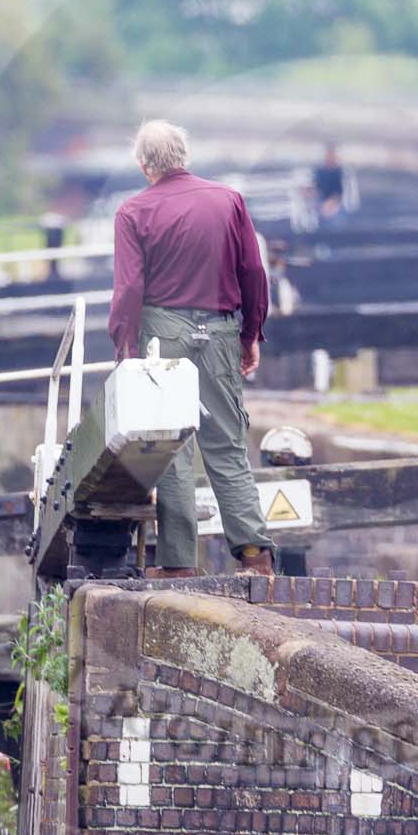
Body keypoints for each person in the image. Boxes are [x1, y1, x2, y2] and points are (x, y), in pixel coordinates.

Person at [110, 120, 275, 578]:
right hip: (221, 331)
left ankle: (179, 564)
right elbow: (253, 272)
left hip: (162, 335)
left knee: (173, 448)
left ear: (145, 166)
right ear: (184, 156)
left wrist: (124, 347)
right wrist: (250, 334)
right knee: (226, 444)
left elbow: (128, 289)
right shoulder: (229, 200)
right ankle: (255, 558)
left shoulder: (132, 212)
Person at [312, 143, 347, 222]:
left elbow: (317, 186)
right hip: (333, 177)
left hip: (326, 177)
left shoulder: (321, 196)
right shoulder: (339, 196)